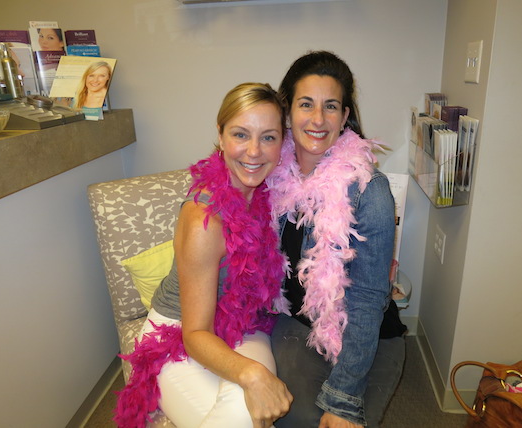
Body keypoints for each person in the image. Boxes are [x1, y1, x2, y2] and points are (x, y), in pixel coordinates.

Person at [114, 82, 293, 428]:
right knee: (242, 416)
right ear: (221, 134)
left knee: (253, 412)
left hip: (243, 325)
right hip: (179, 337)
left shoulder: (270, 191)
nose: (254, 151)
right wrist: (252, 375)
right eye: (241, 134)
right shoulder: (203, 219)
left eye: (268, 137)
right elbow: (195, 333)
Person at [267, 51, 407, 428]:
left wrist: (343, 399)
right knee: (274, 414)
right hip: (295, 325)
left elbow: (365, 301)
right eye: (306, 104)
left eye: (331, 107)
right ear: (287, 110)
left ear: (345, 117)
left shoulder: (369, 191)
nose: (317, 119)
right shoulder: (268, 170)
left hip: (364, 339)